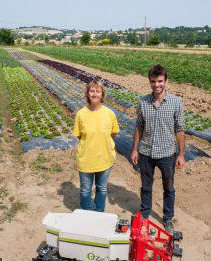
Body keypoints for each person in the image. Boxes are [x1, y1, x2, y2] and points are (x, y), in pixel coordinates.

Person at [130, 65, 185, 234]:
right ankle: (145, 215)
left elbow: (180, 128)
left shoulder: (176, 102)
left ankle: (167, 218)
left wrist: (181, 154)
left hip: (167, 153)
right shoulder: (143, 102)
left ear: (166, 81)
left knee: (168, 187)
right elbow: (139, 126)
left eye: (160, 81)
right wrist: (134, 149)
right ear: (150, 82)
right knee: (146, 186)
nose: (157, 85)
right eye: (153, 81)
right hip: (146, 152)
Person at [73, 80, 119, 212]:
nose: (95, 94)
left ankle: (99, 212)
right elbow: (79, 135)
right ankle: (87, 213)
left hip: (105, 158)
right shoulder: (81, 114)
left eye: (98, 91)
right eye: (92, 91)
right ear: (87, 94)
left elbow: (113, 133)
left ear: (102, 94)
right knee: (85, 189)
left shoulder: (109, 113)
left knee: (102, 188)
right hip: (86, 159)